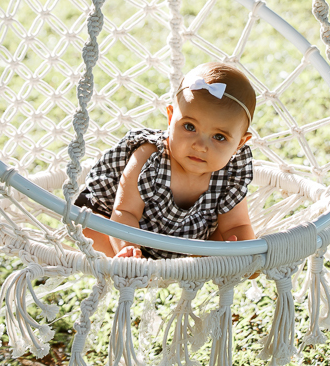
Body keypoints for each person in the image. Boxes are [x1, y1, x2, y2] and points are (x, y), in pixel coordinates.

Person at [75, 61, 257, 259]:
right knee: (87, 224)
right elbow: (125, 212)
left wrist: (249, 257)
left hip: (185, 242)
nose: (199, 145)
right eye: (189, 127)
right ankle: (133, 260)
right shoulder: (149, 158)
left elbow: (237, 225)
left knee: (226, 239)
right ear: (171, 118)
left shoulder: (230, 174)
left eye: (219, 137)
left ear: (240, 143)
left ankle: (189, 265)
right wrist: (128, 247)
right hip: (121, 227)